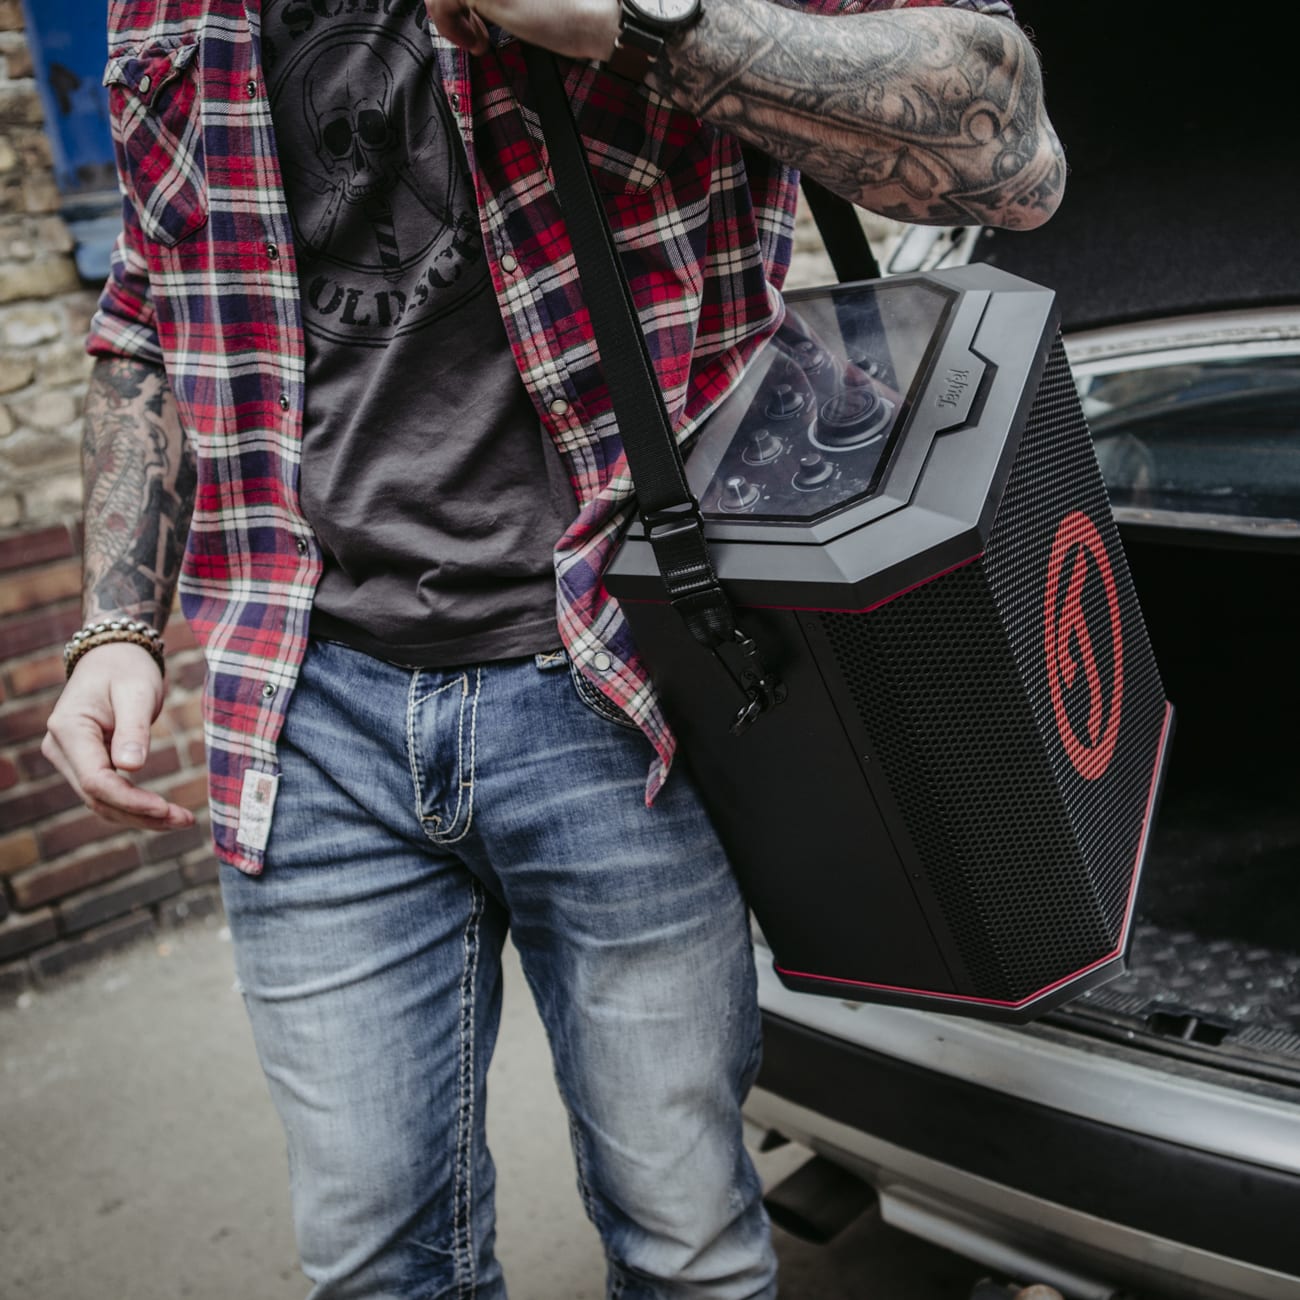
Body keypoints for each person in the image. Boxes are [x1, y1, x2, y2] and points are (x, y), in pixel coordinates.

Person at [44, 1, 1063, 1296]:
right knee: (373, 1270)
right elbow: (147, 310)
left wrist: (639, 21)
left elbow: (1008, 154)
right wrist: (117, 624)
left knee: (686, 1245)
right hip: (304, 704)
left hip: (625, 671)